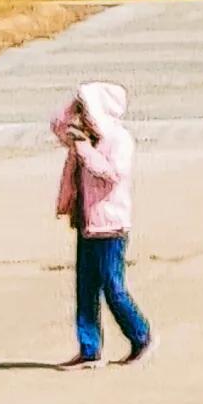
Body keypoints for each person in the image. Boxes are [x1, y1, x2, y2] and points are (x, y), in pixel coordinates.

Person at [51, 82, 150, 365]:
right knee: (86, 288)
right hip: (86, 222)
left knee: (113, 286)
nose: (80, 115)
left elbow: (111, 173)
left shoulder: (118, 140)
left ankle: (140, 335)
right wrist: (74, 104)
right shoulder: (82, 137)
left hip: (111, 226)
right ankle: (89, 348)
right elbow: (57, 125)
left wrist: (84, 149)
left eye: (85, 108)